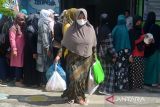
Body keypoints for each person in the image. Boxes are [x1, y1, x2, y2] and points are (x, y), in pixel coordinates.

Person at [58, 8, 97, 105]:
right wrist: (58, 55)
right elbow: (64, 44)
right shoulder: (71, 29)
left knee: (81, 80)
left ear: (86, 17)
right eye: (79, 16)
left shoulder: (91, 28)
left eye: (83, 16)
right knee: (74, 78)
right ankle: (73, 95)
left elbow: (94, 45)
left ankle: (78, 97)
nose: (81, 18)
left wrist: (95, 58)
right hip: (73, 59)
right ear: (76, 17)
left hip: (86, 59)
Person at [96, 13, 117, 94]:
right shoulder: (107, 30)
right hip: (107, 55)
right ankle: (106, 90)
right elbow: (110, 46)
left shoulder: (98, 29)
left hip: (100, 54)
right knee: (110, 72)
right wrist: (115, 55)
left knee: (102, 72)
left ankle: (101, 88)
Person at [112, 15, 131, 91]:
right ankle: (123, 86)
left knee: (117, 69)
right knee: (124, 69)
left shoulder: (115, 28)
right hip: (125, 52)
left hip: (117, 52)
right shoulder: (126, 29)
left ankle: (117, 86)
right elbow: (128, 42)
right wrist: (129, 54)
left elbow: (112, 39)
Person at [36, 9, 54, 87]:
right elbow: (45, 38)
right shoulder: (43, 24)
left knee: (45, 64)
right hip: (44, 49)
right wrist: (47, 49)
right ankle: (44, 82)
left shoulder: (43, 22)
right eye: (48, 15)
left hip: (43, 48)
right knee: (45, 65)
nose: (50, 17)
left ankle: (44, 82)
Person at [143, 12, 160, 87]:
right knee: (154, 66)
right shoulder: (156, 27)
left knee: (147, 65)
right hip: (155, 49)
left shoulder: (145, 26)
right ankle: (153, 81)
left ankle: (145, 80)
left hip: (146, 49)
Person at [9, 13, 26, 87]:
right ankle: (17, 81)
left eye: (23, 20)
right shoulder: (13, 28)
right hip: (17, 50)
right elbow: (12, 39)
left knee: (21, 65)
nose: (22, 21)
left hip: (22, 49)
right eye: (21, 20)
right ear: (17, 19)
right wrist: (14, 49)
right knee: (18, 65)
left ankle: (20, 79)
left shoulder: (22, 27)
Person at [129, 16, 145, 90]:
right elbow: (133, 42)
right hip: (135, 54)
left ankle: (139, 86)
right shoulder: (131, 31)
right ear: (135, 21)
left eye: (140, 21)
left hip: (141, 53)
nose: (139, 22)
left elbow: (144, 42)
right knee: (133, 71)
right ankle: (133, 86)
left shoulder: (142, 30)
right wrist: (141, 38)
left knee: (140, 71)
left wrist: (148, 40)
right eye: (138, 21)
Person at [23, 14, 39, 87]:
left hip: (29, 50)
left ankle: (30, 81)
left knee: (30, 66)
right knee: (30, 66)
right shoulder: (30, 29)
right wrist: (34, 52)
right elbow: (30, 42)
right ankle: (30, 82)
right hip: (30, 51)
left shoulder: (30, 27)